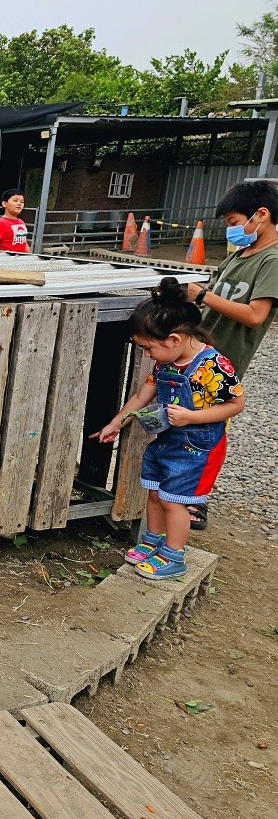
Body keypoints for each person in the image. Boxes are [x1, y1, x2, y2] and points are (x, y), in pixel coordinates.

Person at [91, 278, 243, 579]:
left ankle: (174, 556)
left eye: (148, 348)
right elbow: (141, 395)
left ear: (174, 339)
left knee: (176, 500)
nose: (147, 355)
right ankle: (153, 542)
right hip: (168, 439)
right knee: (156, 493)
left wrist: (191, 417)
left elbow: (236, 404)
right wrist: (116, 423)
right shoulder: (166, 363)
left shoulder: (214, 366)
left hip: (199, 445)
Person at [185, 180, 278, 379]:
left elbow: (255, 316)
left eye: (234, 223)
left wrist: (202, 295)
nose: (230, 231)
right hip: (198, 353)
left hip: (222, 365)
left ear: (261, 214)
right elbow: (213, 296)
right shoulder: (237, 256)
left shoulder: (272, 261)